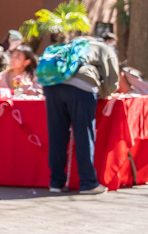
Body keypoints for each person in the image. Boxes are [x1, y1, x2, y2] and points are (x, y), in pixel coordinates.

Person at [42, 31, 120, 194]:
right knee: (83, 134)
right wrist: (101, 94)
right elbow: (113, 82)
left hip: (51, 86)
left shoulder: (67, 47)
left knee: (57, 136)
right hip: (81, 87)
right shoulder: (105, 48)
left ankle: (56, 183)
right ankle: (88, 183)